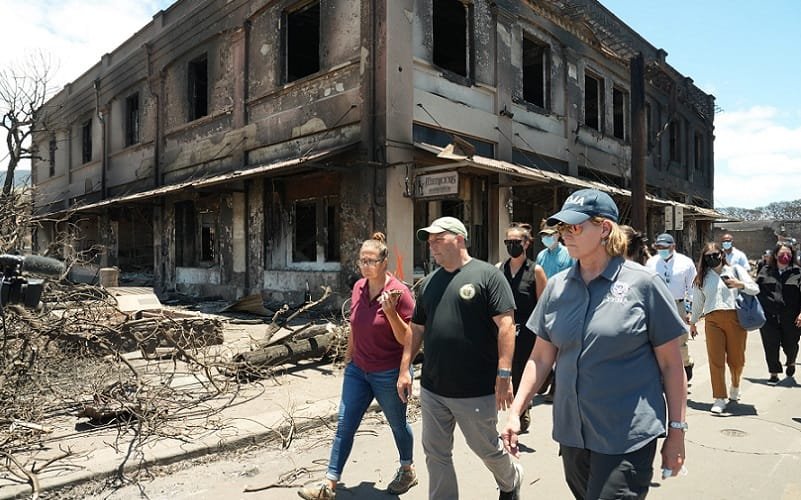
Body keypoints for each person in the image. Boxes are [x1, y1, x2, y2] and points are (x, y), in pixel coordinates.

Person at [501, 189, 688, 500]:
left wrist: (677, 432)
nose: (564, 235)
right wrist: (515, 411)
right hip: (573, 435)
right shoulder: (558, 287)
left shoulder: (644, 285)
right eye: (562, 228)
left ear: (604, 229)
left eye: (575, 227)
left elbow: (671, 365)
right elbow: (540, 358)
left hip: (626, 437)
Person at [397, 216, 523, 500]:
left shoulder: (488, 275)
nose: (432, 246)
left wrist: (504, 374)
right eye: (429, 242)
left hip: (475, 389)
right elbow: (416, 329)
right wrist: (405, 369)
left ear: (460, 239)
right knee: (436, 454)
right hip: (433, 388)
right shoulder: (428, 283)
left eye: (438, 239)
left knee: (486, 448)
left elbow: (506, 325)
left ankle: (511, 478)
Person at [298, 233, 417, 500]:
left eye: (371, 261)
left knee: (397, 424)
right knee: (344, 424)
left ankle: (407, 469)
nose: (365, 266)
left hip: (388, 371)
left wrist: (390, 313)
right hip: (358, 370)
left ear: (384, 262)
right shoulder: (359, 287)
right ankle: (328, 484)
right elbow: (355, 324)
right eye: (362, 260)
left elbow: (408, 337)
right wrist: (348, 358)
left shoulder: (400, 293)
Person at [689, 242, 759, 414]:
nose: (713, 258)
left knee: (737, 360)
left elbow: (755, 289)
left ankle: (735, 384)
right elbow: (698, 303)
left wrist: (740, 285)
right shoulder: (702, 277)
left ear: (722, 254)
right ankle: (719, 397)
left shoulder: (735, 270)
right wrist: (693, 322)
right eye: (708, 256)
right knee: (716, 360)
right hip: (713, 320)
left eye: (715, 254)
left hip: (735, 317)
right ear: (704, 259)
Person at [500, 222, 547, 432]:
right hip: (505, 330)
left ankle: (520, 410)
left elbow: (544, 305)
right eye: (508, 242)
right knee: (505, 371)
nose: (512, 246)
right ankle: (514, 408)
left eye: (516, 242)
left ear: (526, 244)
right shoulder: (499, 269)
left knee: (521, 373)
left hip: (527, 331)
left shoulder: (535, 271)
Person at [646, 233, 697, 382]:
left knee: (680, 341)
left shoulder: (685, 263)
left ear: (673, 247)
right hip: (656, 305)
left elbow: (692, 288)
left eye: (664, 247)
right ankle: (661, 374)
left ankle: (685, 368)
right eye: (658, 247)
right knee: (656, 341)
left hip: (678, 305)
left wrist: (691, 310)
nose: (661, 249)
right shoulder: (651, 262)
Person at [755, 242, 801, 385]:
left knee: (791, 344)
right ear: (775, 255)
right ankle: (773, 374)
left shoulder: (797, 272)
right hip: (769, 316)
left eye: (788, 254)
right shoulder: (765, 271)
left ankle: (791, 360)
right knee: (770, 345)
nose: (785, 257)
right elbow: (756, 291)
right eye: (782, 254)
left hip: (791, 317)